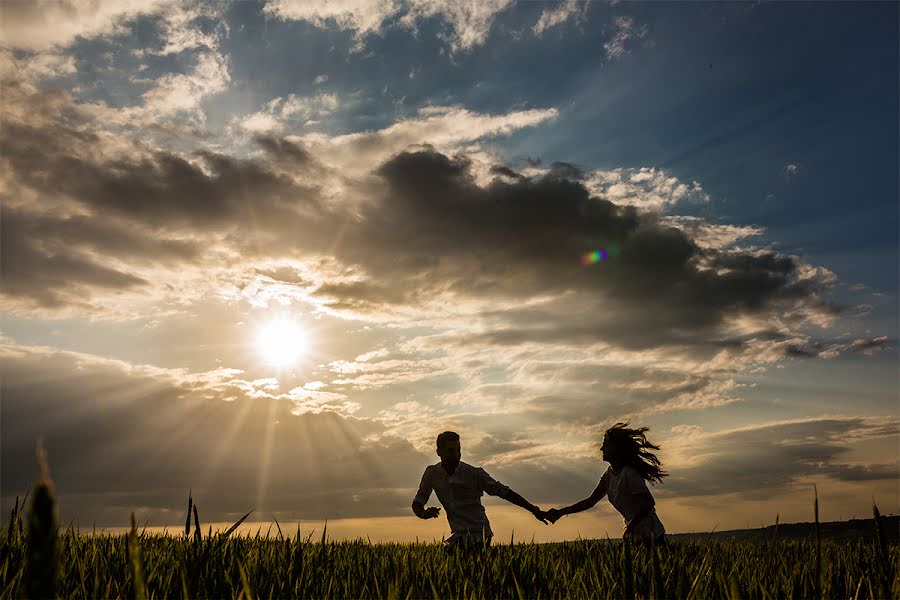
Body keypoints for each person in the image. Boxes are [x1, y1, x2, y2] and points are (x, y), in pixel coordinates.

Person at [412, 431, 548, 550]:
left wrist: (534, 509)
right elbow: (418, 502)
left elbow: (505, 492)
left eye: (458, 450)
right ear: (439, 452)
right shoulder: (432, 473)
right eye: (450, 451)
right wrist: (424, 514)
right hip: (458, 534)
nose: (456, 454)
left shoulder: (474, 474)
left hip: (479, 534)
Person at [546, 422, 667, 545]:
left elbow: (648, 504)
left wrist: (631, 526)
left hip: (652, 534)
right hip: (635, 535)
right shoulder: (609, 475)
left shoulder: (629, 474)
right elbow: (590, 502)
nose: (601, 449)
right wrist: (560, 512)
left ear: (617, 449)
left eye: (606, 445)